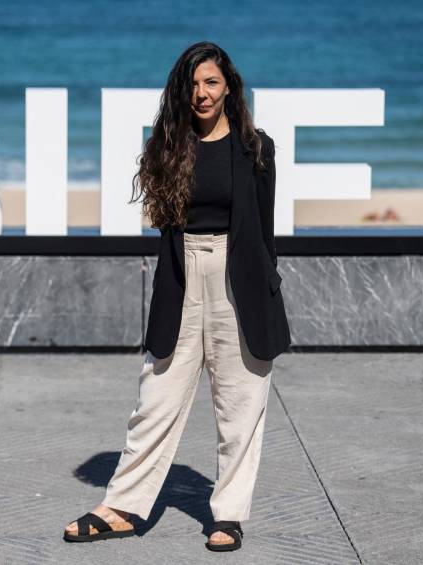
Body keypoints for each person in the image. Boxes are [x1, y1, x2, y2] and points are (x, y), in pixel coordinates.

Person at [63, 41, 291, 552]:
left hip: (240, 279)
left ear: (228, 85)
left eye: (211, 82)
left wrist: (265, 286)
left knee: (240, 405)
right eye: (192, 85)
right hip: (183, 276)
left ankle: (228, 516)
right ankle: (122, 505)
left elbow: (265, 228)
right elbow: (164, 225)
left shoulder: (258, 148)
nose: (201, 94)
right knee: (156, 397)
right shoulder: (168, 146)